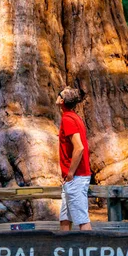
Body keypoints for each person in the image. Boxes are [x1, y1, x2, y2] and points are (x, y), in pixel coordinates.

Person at [56, 86, 92, 231]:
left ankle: (90, 252)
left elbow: (79, 147)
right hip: (72, 178)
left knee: (82, 220)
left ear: (62, 100)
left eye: (59, 94)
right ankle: (65, 251)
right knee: (65, 219)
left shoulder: (68, 119)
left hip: (75, 177)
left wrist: (70, 173)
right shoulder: (73, 117)